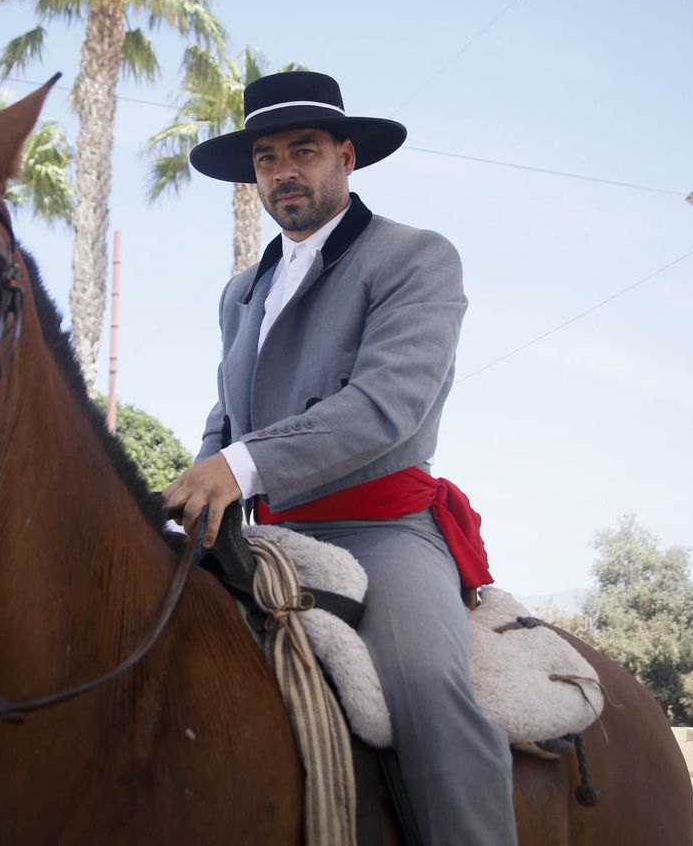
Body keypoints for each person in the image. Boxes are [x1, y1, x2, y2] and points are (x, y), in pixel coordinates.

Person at [162, 70, 517, 845]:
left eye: (304, 151)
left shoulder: (415, 258)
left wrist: (240, 468)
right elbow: (227, 414)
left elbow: (386, 406)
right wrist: (199, 483)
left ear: (346, 158)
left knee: (427, 691)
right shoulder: (240, 292)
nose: (284, 171)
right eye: (266, 158)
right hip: (256, 529)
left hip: (380, 531)